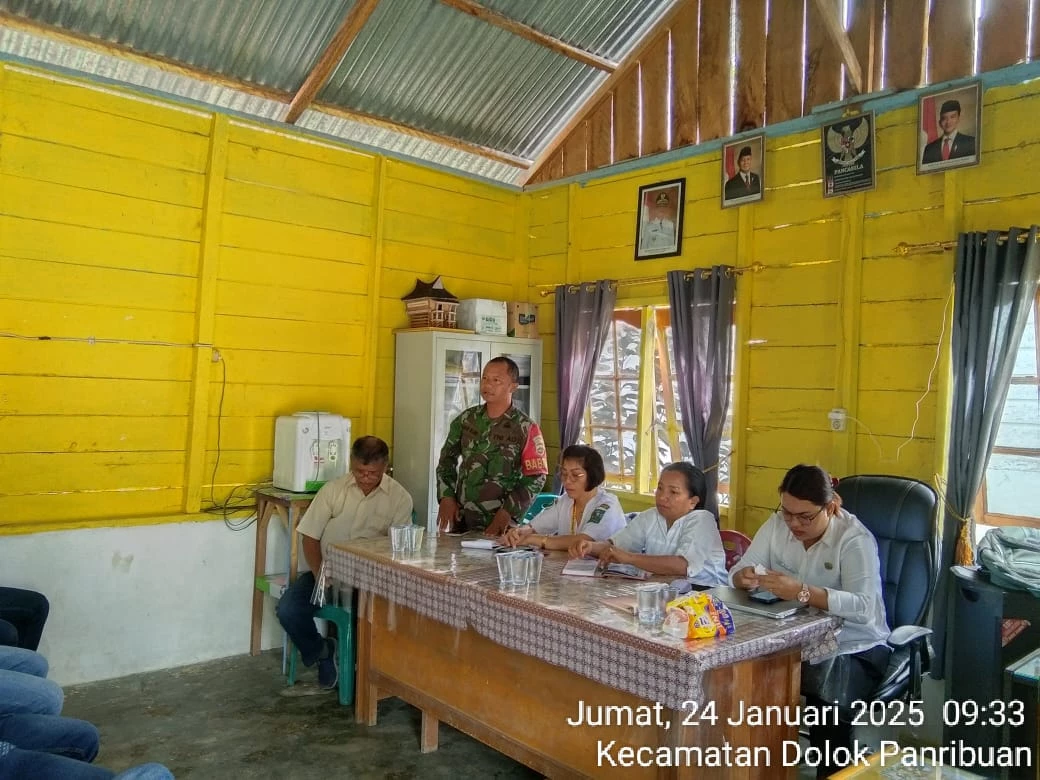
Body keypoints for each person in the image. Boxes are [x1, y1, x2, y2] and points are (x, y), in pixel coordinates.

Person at [730, 464, 889, 778]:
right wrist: (743, 577)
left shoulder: (854, 539)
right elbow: (741, 569)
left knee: (827, 706)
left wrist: (803, 591)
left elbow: (864, 607)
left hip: (854, 644)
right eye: (788, 513)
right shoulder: (778, 525)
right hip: (793, 637)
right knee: (740, 679)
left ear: (830, 507)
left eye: (805, 517)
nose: (793, 524)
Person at [276, 436, 412, 690]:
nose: (365, 478)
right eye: (360, 471)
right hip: (328, 570)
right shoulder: (334, 490)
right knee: (288, 609)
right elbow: (310, 536)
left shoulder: (400, 498)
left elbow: (398, 548)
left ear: (385, 466)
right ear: (351, 463)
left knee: (380, 623)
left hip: (371, 578)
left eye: (372, 473)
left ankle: (372, 679)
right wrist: (319, 574)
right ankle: (323, 651)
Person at [436, 356, 548, 537]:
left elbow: (536, 477)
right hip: (462, 521)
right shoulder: (466, 420)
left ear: (513, 386)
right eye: (485, 379)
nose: (487, 385)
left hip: (501, 526)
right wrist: (446, 496)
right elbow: (446, 461)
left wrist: (508, 513)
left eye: (496, 380)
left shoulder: (526, 428)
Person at [567, 463, 727, 583]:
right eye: (660, 488)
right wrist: (590, 547)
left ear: (693, 501)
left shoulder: (702, 520)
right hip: (665, 591)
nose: (662, 496)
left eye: (673, 492)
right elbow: (615, 546)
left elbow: (682, 566)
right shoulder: (651, 516)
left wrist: (629, 558)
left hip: (706, 597)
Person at [500, 445, 626, 550]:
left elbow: (582, 541)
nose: (567, 481)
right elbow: (534, 527)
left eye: (576, 475)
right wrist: (520, 532)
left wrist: (535, 540)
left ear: (593, 475)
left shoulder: (607, 505)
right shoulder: (566, 500)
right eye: (564, 474)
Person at [921, 99, 976, 164]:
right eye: (944, 118)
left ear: (958, 119)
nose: (948, 122)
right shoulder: (929, 149)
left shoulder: (971, 142)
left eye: (952, 117)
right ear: (940, 122)